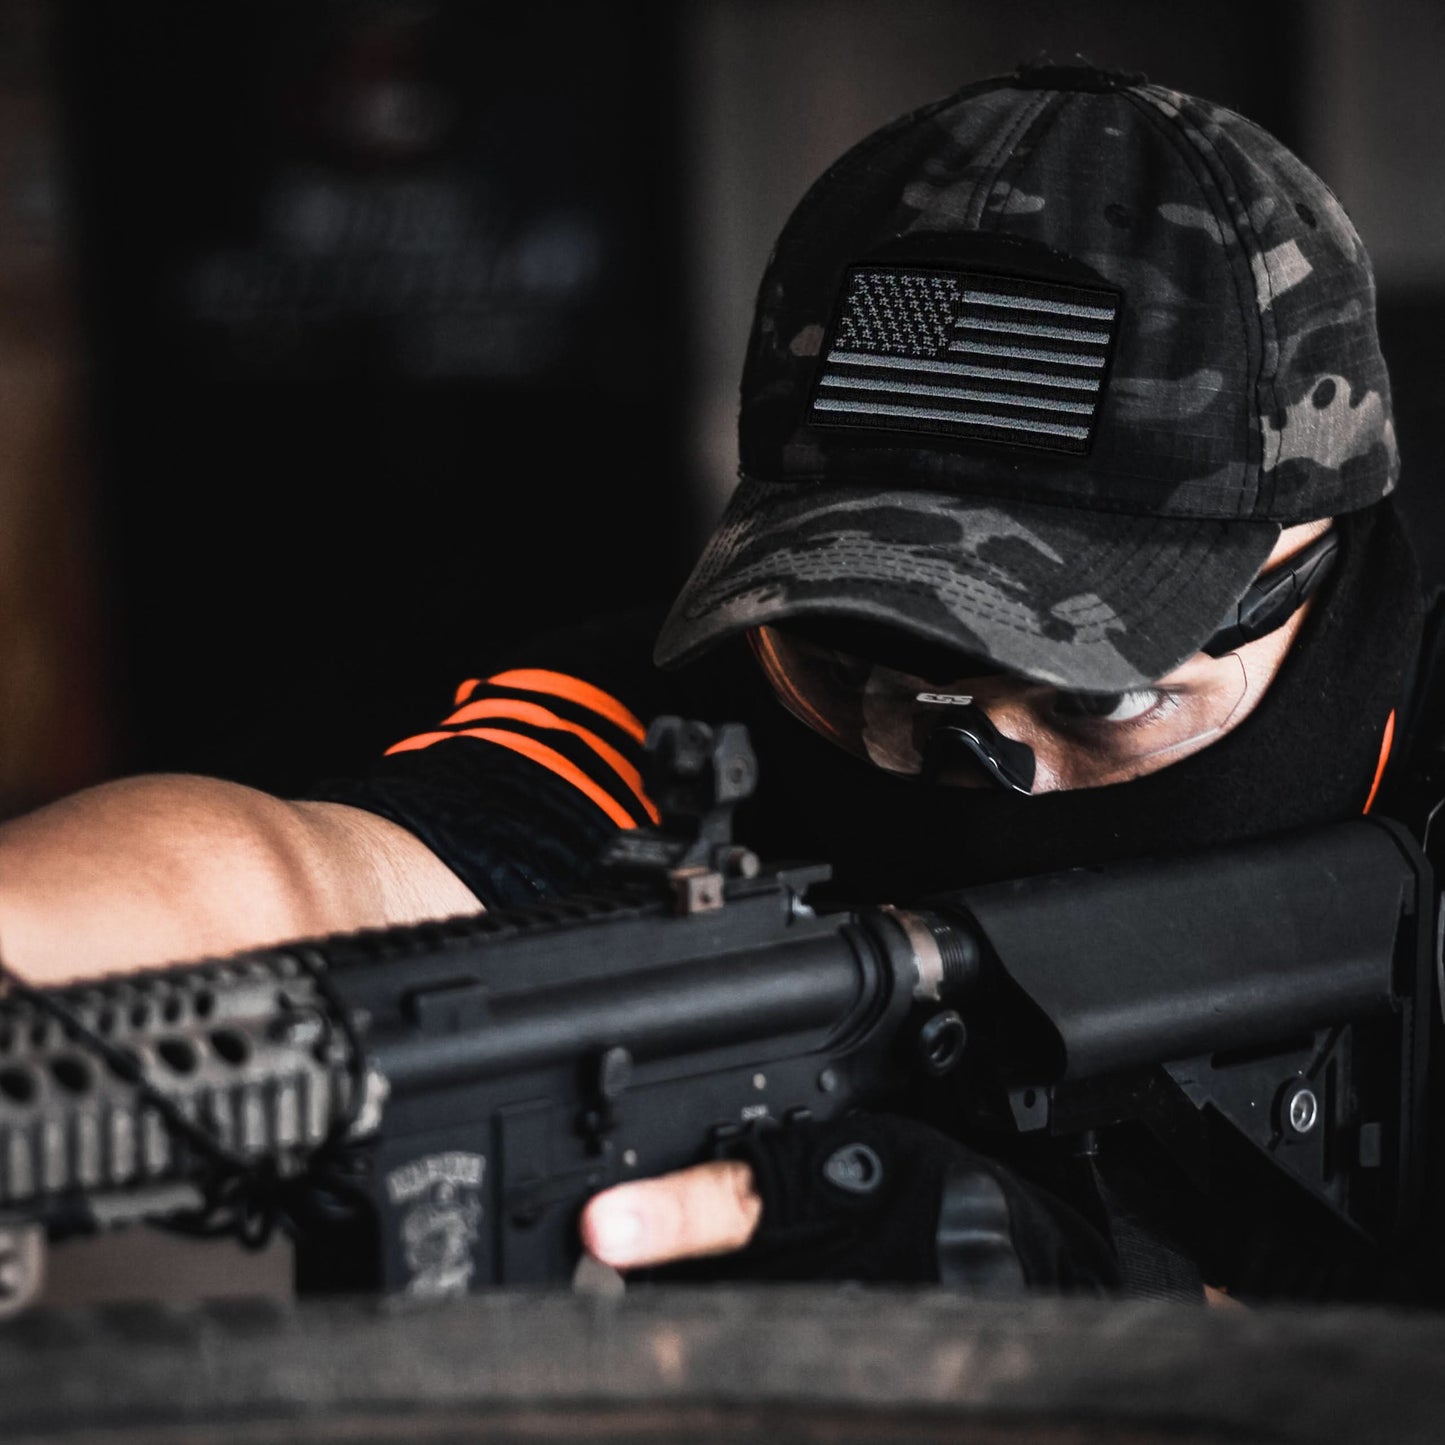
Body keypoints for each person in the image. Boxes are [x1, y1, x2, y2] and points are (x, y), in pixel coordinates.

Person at [1, 62, 1437, 1304]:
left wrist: (1116, 1339)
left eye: (1100, 695)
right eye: (866, 669)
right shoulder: (702, 716)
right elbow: (296, 882)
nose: (974, 767)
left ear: (1324, 583)